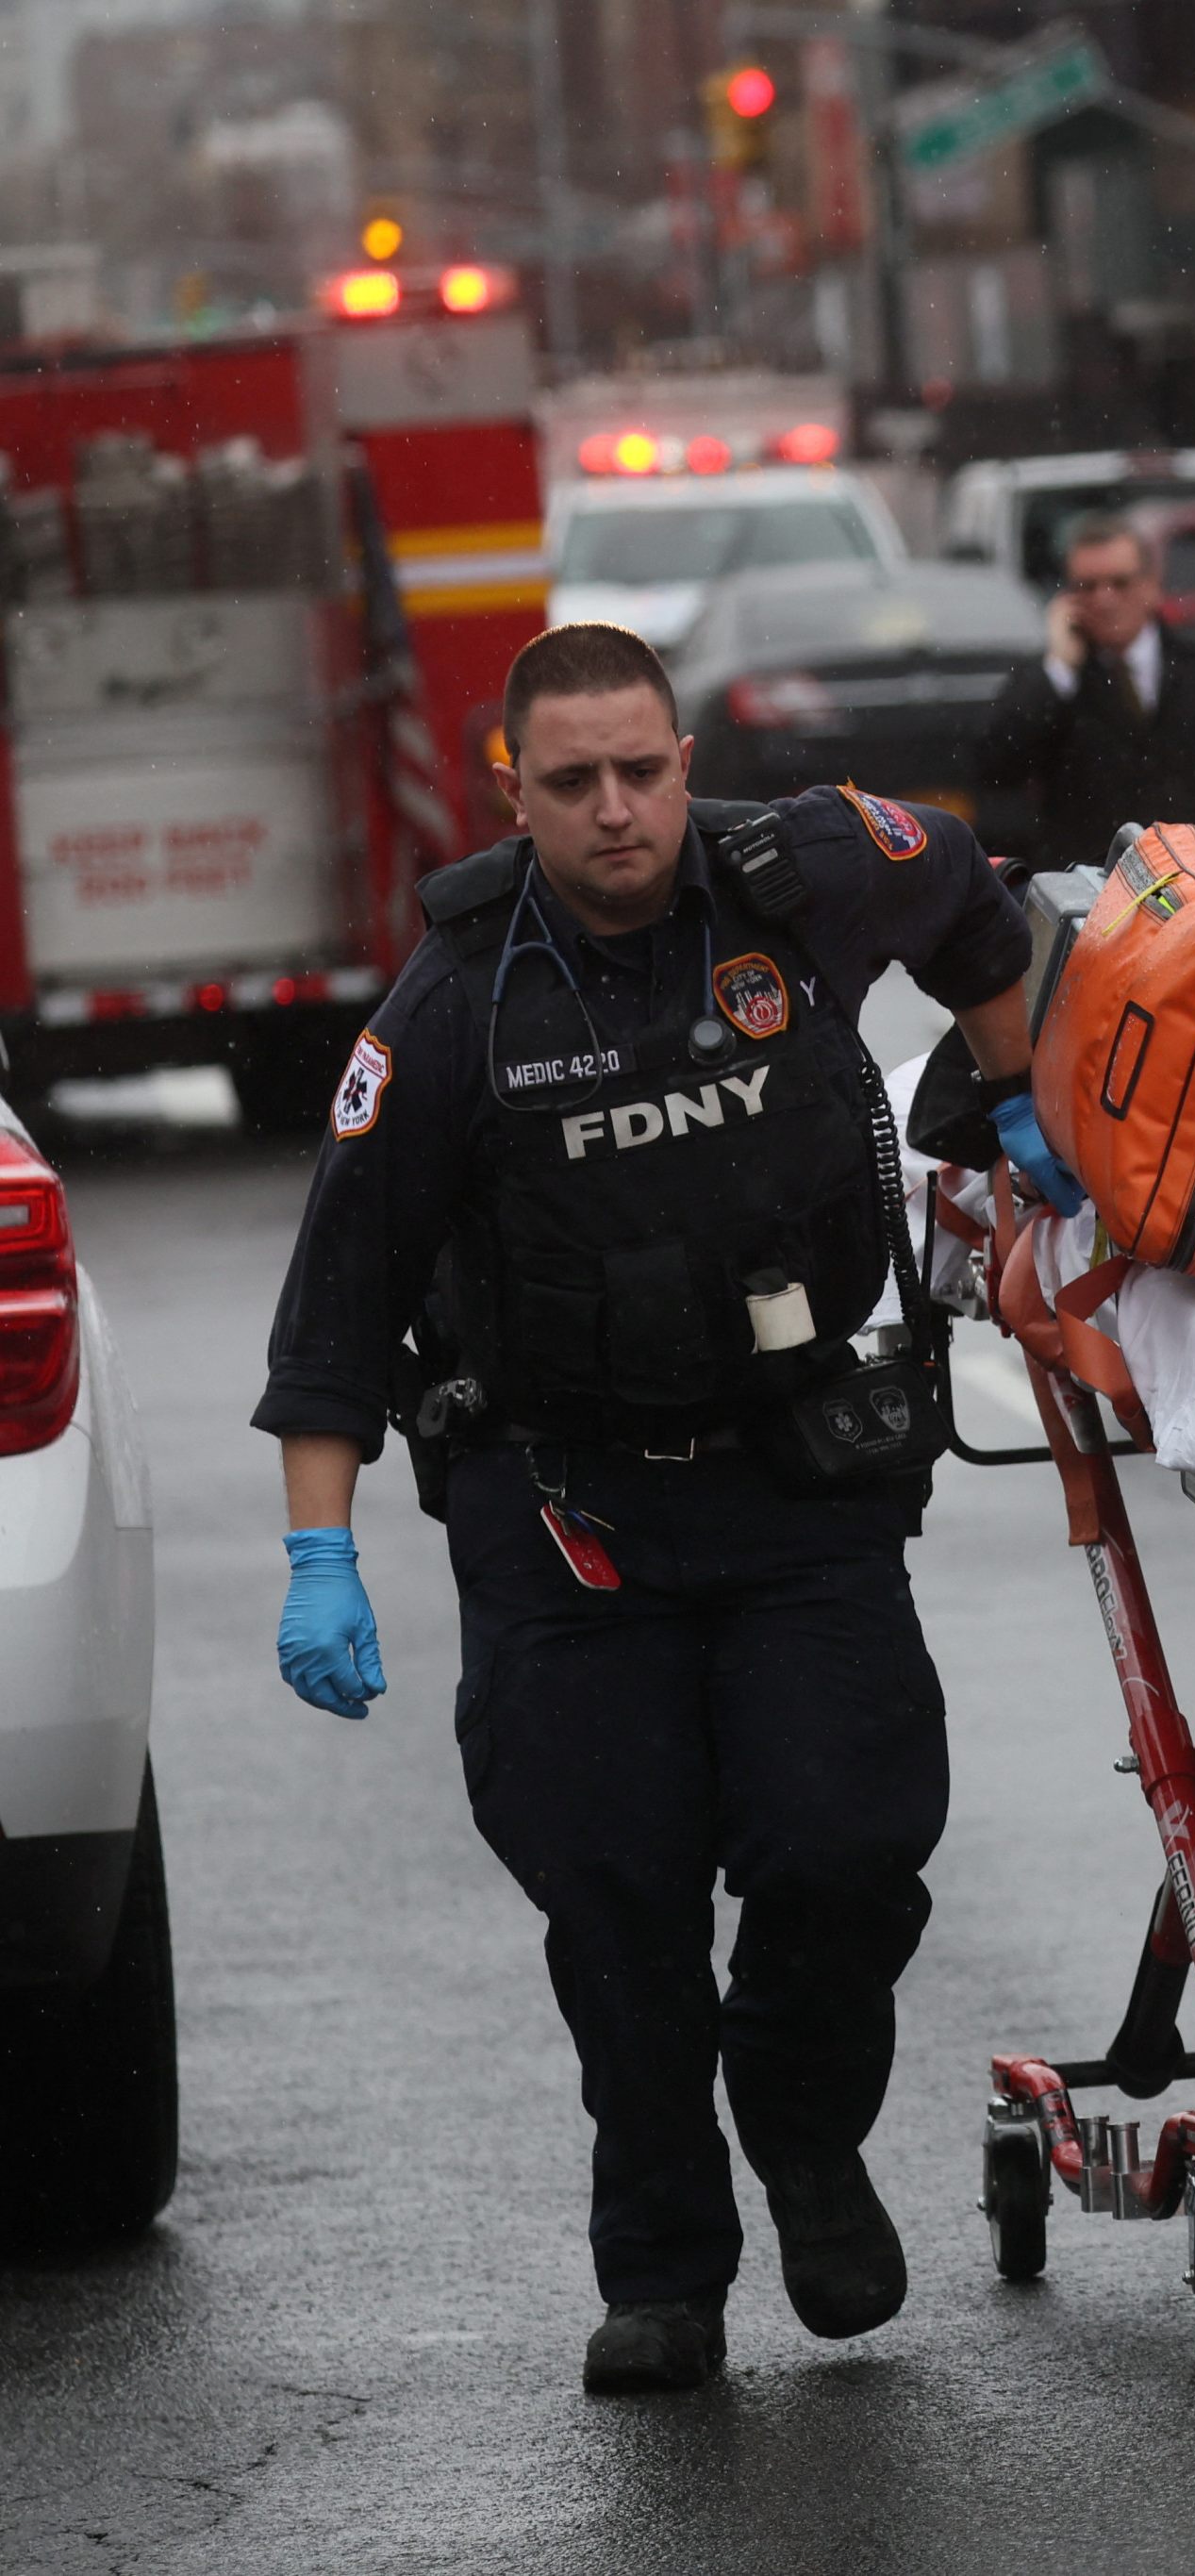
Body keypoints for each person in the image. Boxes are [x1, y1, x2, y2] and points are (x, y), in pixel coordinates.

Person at [255, 623, 1089, 2396]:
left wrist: (1013, 1087)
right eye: (572, 783)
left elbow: (972, 906)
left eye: (643, 771)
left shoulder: (806, 880)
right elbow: (336, 1306)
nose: (617, 811)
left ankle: (803, 2133)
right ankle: (661, 2266)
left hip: (798, 1483)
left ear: (686, 760)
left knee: (846, 1855)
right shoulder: (453, 1005)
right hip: (568, 1516)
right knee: (618, 1906)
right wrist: (317, 1550)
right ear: (513, 790)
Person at [979, 511, 1195, 870]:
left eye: (1119, 583)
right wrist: (1061, 667)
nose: (1104, 600)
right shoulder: (1055, 678)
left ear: (1152, 585)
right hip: (1096, 893)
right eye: (1087, 587)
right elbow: (998, 765)